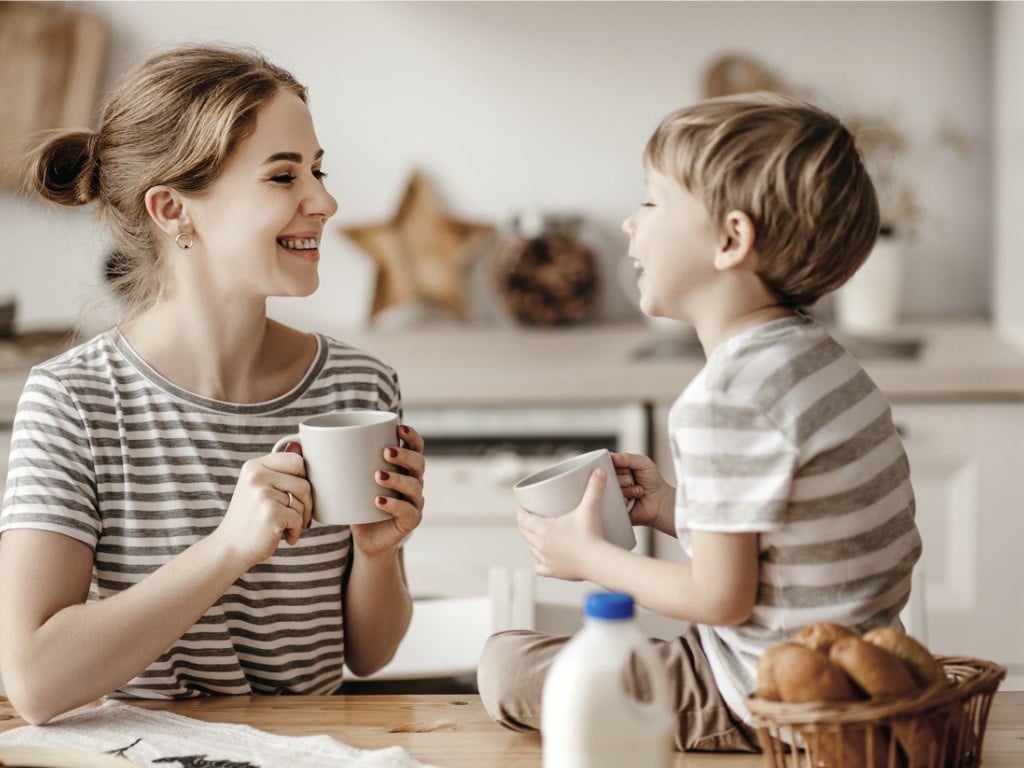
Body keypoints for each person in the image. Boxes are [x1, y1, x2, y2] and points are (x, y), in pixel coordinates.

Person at [477, 92, 922, 752]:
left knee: (505, 665)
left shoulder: (724, 399)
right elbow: (790, 551)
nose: (630, 224)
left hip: (754, 697)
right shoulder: (819, 358)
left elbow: (721, 600)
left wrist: (589, 556)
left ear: (730, 239)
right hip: (838, 681)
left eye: (651, 201)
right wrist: (669, 509)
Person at [0, 45, 425, 725]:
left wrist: (381, 554)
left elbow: (368, 655)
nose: (325, 200)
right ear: (173, 210)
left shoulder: (358, 386)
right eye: (284, 177)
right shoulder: (74, 402)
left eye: (317, 170)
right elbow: (35, 682)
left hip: (312, 748)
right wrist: (229, 548)